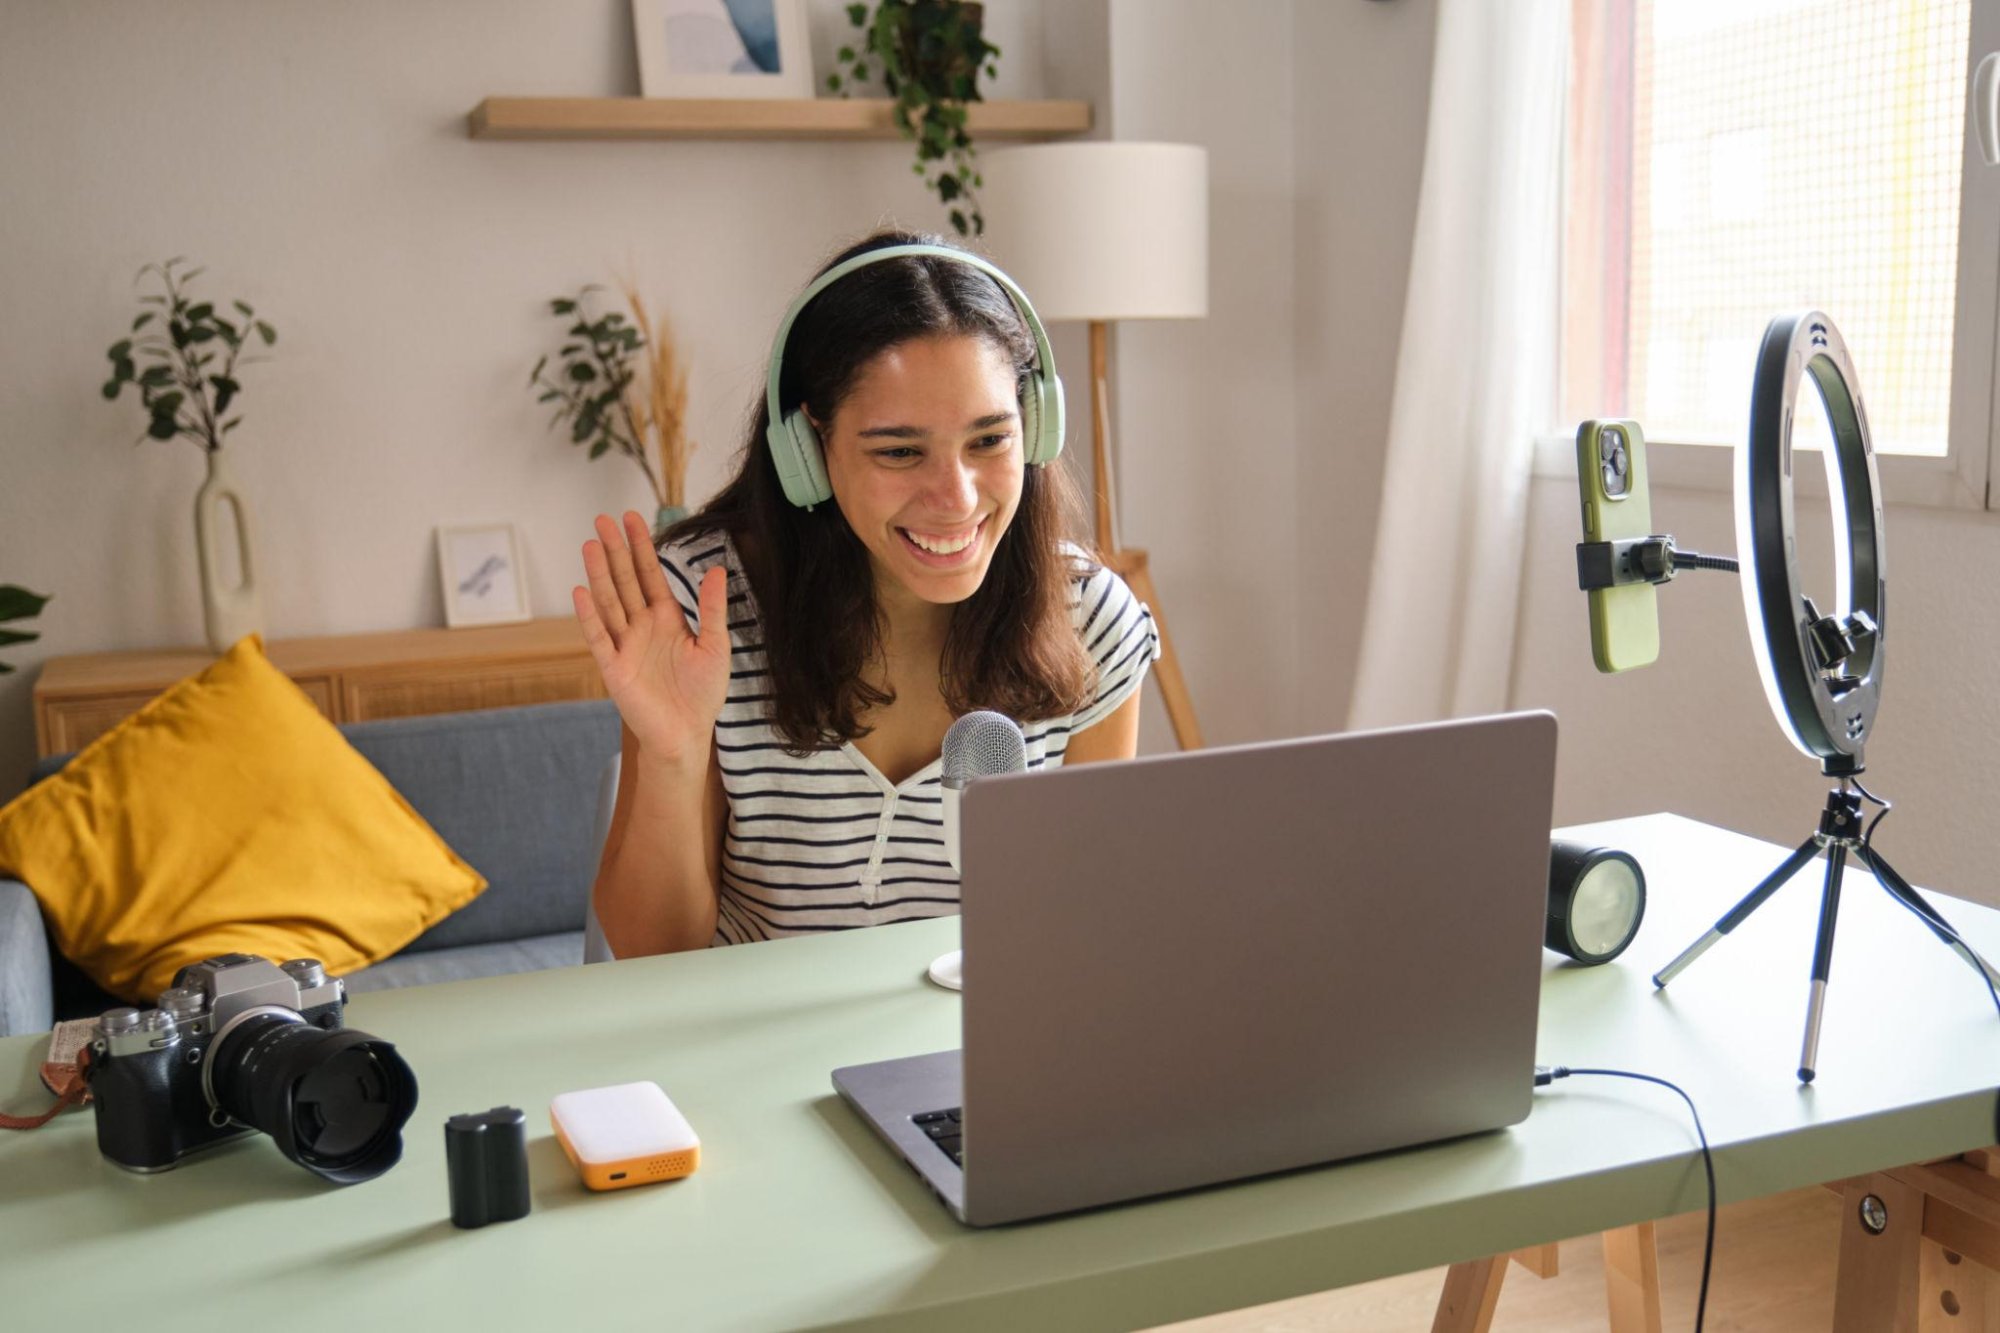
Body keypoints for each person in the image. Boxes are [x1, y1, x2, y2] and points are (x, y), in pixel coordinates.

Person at [574, 229, 1160, 957]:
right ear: (807, 451)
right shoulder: (705, 612)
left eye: (989, 440)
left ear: (1036, 427)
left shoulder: (1092, 622)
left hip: (980, 1027)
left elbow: (1089, 926)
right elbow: (653, 952)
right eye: (900, 451)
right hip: (763, 1027)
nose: (956, 498)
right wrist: (674, 753)